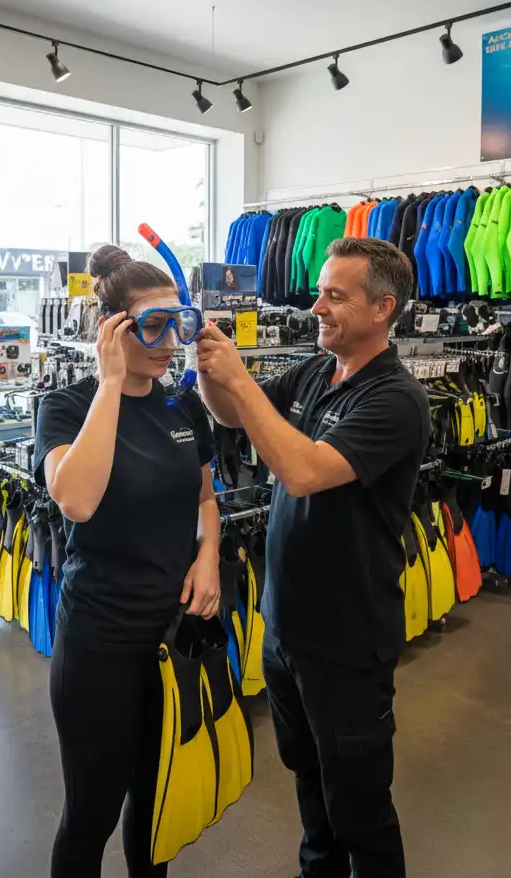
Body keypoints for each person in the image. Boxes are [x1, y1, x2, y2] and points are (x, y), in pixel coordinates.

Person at [197, 236, 430, 878]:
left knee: (360, 807)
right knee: (309, 783)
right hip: (287, 628)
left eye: (336, 295)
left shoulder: (395, 400)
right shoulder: (313, 371)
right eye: (319, 291)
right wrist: (210, 367)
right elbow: (231, 414)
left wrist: (240, 379)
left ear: (384, 307)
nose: (317, 307)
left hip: (349, 641)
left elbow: (301, 472)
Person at [33, 244, 220, 878]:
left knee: (156, 809)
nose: (171, 341)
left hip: (170, 638)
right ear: (112, 328)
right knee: (91, 814)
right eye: (152, 325)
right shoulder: (64, 409)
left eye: (180, 322)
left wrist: (211, 556)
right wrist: (111, 383)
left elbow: (203, 495)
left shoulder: (183, 403)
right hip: (101, 639)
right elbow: (78, 501)